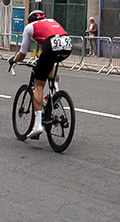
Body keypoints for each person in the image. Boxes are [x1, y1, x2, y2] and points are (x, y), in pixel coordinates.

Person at [8, 10, 72, 139]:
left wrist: (14, 60)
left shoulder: (29, 27)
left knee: (38, 85)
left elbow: (22, 53)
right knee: (50, 63)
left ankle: (37, 125)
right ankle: (55, 94)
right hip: (67, 44)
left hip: (51, 45)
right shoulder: (52, 21)